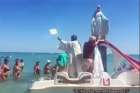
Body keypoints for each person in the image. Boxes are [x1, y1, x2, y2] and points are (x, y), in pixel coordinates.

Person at [91, 5, 109, 72]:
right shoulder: (95, 13)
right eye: (98, 8)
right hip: (96, 23)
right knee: (96, 31)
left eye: (99, 8)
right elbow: (92, 18)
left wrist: (106, 20)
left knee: (100, 31)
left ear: (100, 8)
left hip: (100, 23)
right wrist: (93, 20)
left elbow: (104, 18)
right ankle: (97, 37)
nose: (98, 9)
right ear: (96, 8)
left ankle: (100, 37)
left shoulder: (101, 13)